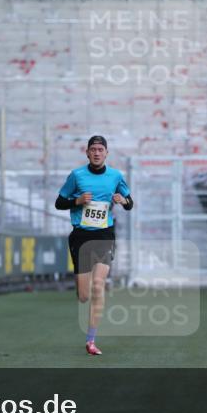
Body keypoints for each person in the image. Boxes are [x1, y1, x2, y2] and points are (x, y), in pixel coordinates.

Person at [55, 135, 132, 356]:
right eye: (93, 149)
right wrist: (76, 201)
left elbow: (130, 203)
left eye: (100, 149)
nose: (97, 153)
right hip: (80, 237)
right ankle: (81, 284)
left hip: (105, 235)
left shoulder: (116, 176)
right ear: (87, 153)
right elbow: (59, 202)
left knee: (99, 285)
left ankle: (90, 340)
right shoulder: (77, 176)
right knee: (83, 296)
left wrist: (123, 200)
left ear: (106, 153)